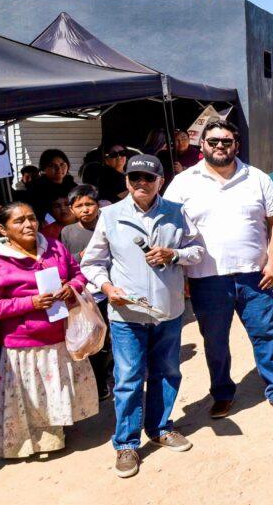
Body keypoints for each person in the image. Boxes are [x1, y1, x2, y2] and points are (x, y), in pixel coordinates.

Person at [81, 155, 204, 478]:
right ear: (126, 182)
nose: (141, 184)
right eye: (134, 178)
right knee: (128, 378)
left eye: (148, 179)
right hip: (127, 314)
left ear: (160, 181)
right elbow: (91, 264)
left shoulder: (176, 212)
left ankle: (161, 427)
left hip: (168, 310)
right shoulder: (110, 215)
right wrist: (107, 287)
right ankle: (126, 444)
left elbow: (198, 251)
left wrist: (174, 254)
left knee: (166, 371)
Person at [164, 120, 273, 419]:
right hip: (206, 278)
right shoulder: (184, 183)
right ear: (202, 145)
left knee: (265, 335)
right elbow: (168, 228)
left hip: (255, 276)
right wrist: (180, 273)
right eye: (213, 142)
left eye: (226, 141)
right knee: (215, 341)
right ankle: (222, 392)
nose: (220, 146)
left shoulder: (257, 178)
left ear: (236, 145)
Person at [0, 201, 98, 459]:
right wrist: (30, 303)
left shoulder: (53, 246)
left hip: (59, 337)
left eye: (31, 218)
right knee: (32, 401)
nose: (28, 224)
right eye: (19, 221)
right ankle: (31, 444)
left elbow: (78, 273)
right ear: (2, 228)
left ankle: (57, 435)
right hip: (25, 345)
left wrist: (71, 286)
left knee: (53, 395)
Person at [61, 184, 112, 400]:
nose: (85, 209)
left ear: (98, 205)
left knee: (111, 338)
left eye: (89, 204)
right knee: (91, 340)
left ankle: (109, 378)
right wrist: (80, 257)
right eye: (79, 205)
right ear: (72, 209)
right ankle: (98, 382)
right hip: (86, 295)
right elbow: (65, 262)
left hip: (110, 289)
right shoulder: (68, 232)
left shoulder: (108, 225)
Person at [26, 148, 76, 221]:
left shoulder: (73, 186)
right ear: (43, 168)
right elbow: (37, 214)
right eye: (52, 165)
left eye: (61, 164)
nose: (58, 168)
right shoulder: (36, 189)